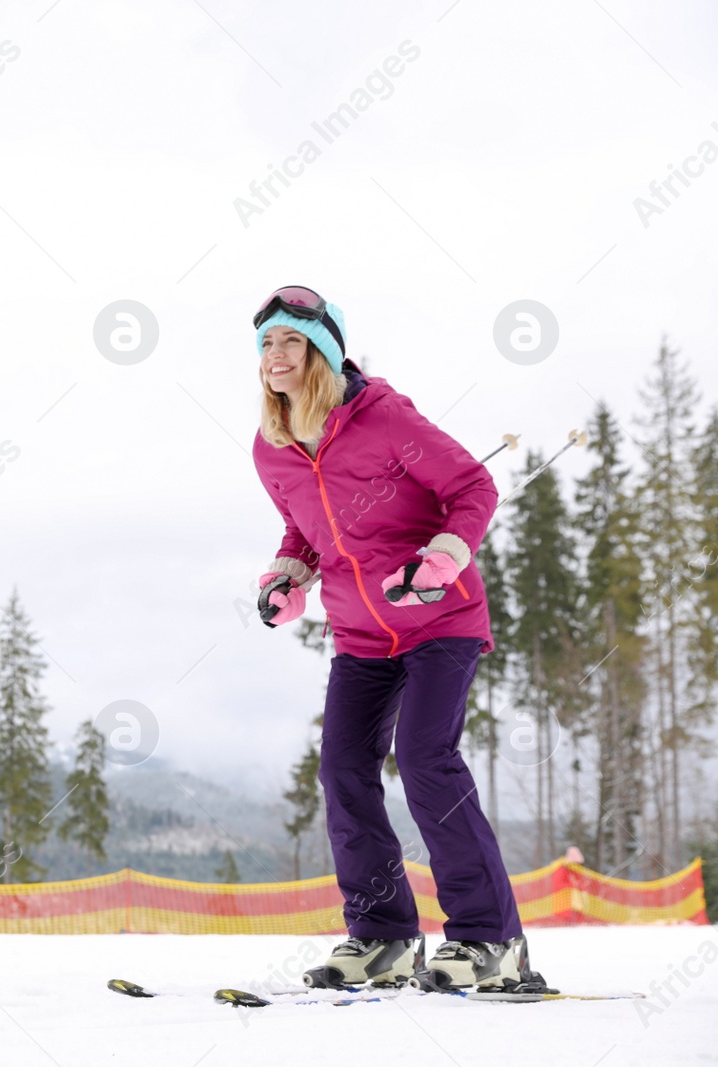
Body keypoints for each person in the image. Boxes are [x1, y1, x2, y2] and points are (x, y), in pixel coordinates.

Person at [248, 285, 547, 992]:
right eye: (265, 344)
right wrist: (288, 577)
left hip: (439, 619)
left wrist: (441, 558)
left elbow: (473, 488)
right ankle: (383, 935)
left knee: (423, 757)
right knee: (344, 767)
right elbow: (303, 530)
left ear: (323, 351)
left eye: (291, 341)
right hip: (359, 633)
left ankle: (489, 938)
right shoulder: (274, 447)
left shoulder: (386, 418)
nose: (275, 356)